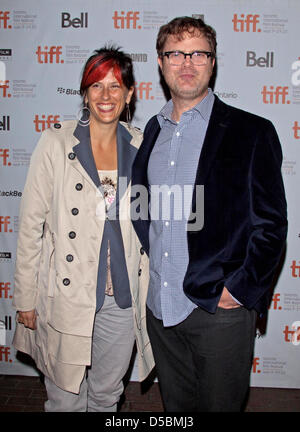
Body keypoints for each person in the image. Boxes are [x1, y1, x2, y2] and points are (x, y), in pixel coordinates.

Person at [131, 17, 287, 412]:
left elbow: (271, 226)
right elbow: (142, 206)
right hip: (161, 308)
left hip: (219, 310)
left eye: (198, 53)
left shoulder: (251, 131)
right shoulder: (152, 130)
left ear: (212, 62)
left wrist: (238, 292)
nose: (187, 63)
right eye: (176, 53)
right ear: (161, 62)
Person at [12, 46, 154, 412]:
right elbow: (30, 225)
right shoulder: (56, 143)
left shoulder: (142, 146)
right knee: (65, 399)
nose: (106, 96)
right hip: (68, 295)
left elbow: (149, 227)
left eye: (115, 86)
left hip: (121, 299)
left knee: (107, 396)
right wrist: (25, 297)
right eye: (96, 86)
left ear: (129, 95)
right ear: (84, 93)